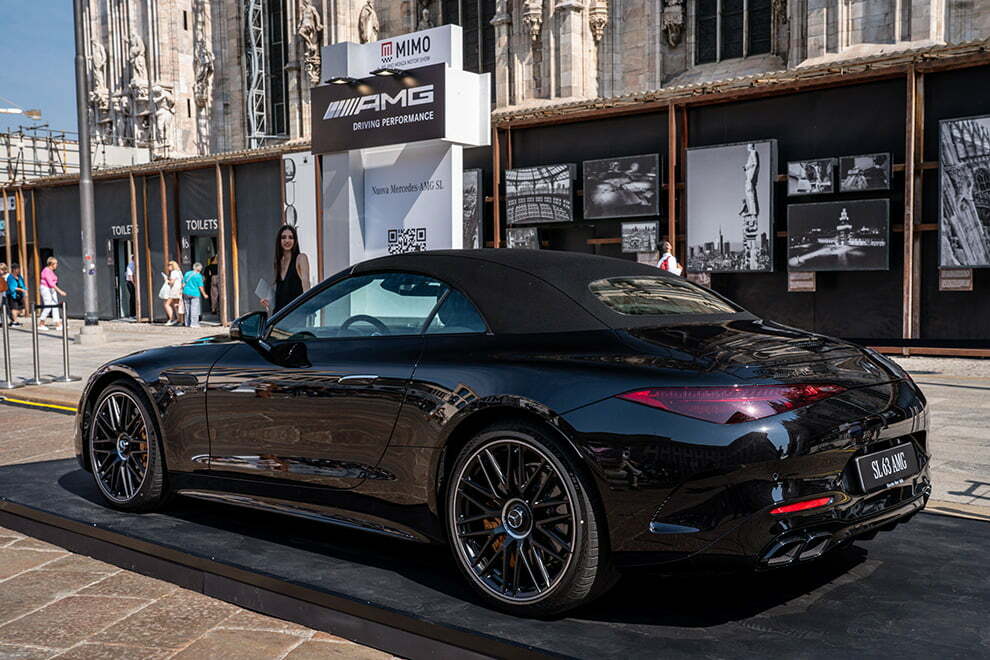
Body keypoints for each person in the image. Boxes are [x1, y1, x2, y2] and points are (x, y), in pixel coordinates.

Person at [261, 224, 310, 314]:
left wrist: (308, 309)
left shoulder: (301, 258)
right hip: (279, 316)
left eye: (290, 237)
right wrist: (268, 300)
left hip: (296, 315)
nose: (287, 240)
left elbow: (306, 285)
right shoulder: (279, 262)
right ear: (279, 241)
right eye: (283, 237)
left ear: (295, 241)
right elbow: (282, 292)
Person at [38, 257, 67, 331]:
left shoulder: (51, 271)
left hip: (52, 289)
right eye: (56, 263)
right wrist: (60, 291)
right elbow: (51, 283)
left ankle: (58, 324)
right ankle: (41, 323)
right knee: (48, 305)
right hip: (46, 288)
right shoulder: (46, 271)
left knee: (55, 305)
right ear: (51, 264)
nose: (57, 265)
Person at [181, 262, 208, 327]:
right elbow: (200, 287)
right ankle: (194, 324)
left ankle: (187, 323)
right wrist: (204, 294)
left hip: (186, 292)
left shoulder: (187, 273)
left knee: (187, 308)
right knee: (194, 309)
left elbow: (182, 283)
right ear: (200, 269)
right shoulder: (199, 276)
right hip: (195, 293)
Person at [164, 260, 183, 325]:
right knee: (176, 304)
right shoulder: (179, 272)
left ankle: (171, 319)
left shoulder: (173, 272)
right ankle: (179, 319)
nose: (168, 267)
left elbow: (172, 282)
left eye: (169, 265)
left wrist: (166, 280)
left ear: (172, 266)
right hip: (179, 289)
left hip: (174, 289)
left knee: (167, 304)